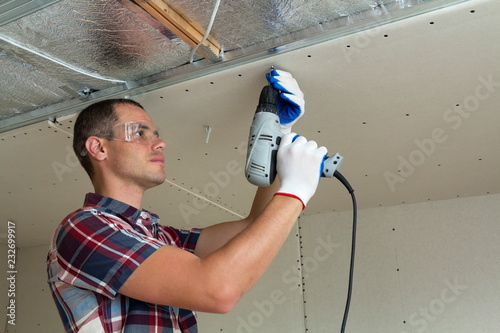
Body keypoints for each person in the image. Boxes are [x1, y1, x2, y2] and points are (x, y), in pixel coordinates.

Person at [47, 69, 327, 332]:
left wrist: (277, 135)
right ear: (99, 147)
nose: (159, 143)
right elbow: (218, 291)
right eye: (140, 133)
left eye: (156, 135)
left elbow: (253, 226)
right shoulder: (82, 228)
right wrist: (294, 193)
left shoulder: (161, 238)